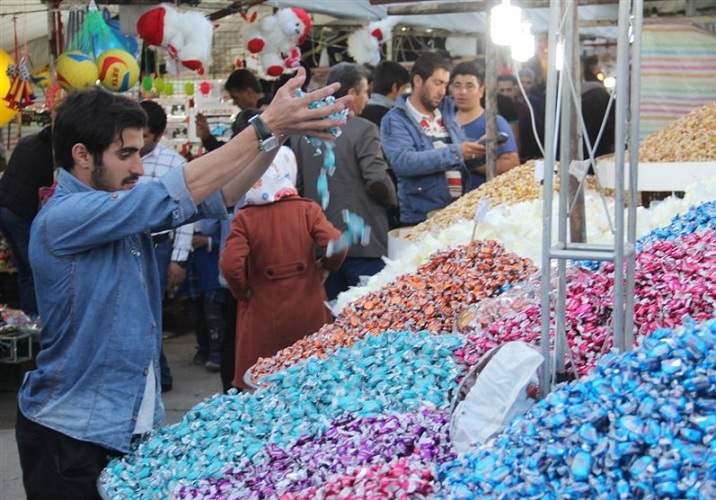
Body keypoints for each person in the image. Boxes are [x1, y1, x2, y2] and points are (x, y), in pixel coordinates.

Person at [15, 71, 348, 498]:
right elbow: (173, 192)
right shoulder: (67, 217)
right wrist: (264, 125)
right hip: (71, 433)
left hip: (124, 423)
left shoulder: (115, 203)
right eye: (126, 154)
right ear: (81, 155)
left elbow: (221, 194)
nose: (139, 166)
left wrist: (275, 138)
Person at [220, 143, 346, 391]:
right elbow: (337, 244)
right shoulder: (307, 209)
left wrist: (242, 292)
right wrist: (324, 268)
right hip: (307, 308)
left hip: (262, 312)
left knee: (261, 383)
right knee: (310, 380)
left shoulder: (246, 218)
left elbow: (230, 265)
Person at [294, 63, 397, 301]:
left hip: (323, 244)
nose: (367, 99)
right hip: (364, 241)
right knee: (368, 314)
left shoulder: (303, 132)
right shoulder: (364, 130)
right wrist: (392, 201)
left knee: (332, 316)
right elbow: (376, 179)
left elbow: (298, 187)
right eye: (365, 92)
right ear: (351, 94)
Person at [380, 52, 484, 226]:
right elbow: (403, 162)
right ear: (418, 81)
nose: (443, 91)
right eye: (437, 83)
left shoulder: (446, 112)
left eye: (445, 84)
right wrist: (457, 152)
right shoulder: (395, 120)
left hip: (456, 215)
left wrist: (479, 150)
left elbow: (459, 160)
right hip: (421, 219)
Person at [139, 100, 195, 392]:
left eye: (145, 136)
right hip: (126, 244)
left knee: (151, 309)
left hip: (158, 247)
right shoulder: (121, 158)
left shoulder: (173, 163)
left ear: (159, 136)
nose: (138, 142)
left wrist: (178, 258)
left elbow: (185, 215)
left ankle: (159, 372)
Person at [0, 125, 54, 316]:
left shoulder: (26, 142)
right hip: (20, 214)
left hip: (4, 207)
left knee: (24, 268)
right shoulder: (50, 155)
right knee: (33, 268)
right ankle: (35, 318)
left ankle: (29, 314)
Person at [451, 62, 520, 190]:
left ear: (481, 91)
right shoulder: (444, 122)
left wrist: (473, 164)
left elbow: (512, 163)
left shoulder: (494, 122)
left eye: (470, 86)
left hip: (480, 201)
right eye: (457, 86)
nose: (462, 92)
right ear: (451, 90)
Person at [195, 69, 263, 152]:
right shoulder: (276, 107)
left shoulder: (249, 117)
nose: (235, 103)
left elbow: (233, 153)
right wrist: (207, 137)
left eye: (235, 97)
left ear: (248, 92)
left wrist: (207, 139)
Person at [361, 61, 410, 127]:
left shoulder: (358, 111)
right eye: (404, 88)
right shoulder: (395, 118)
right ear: (394, 87)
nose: (405, 93)